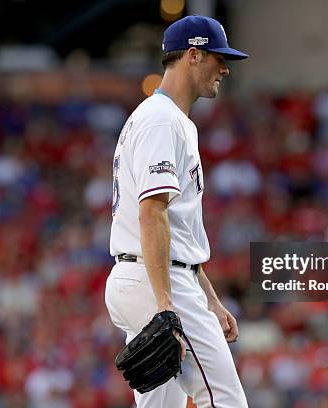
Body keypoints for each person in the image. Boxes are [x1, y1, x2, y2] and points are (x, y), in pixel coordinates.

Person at [105, 15, 249, 408]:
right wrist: (167, 306)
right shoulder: (161, 121)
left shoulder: (165, 119)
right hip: (158, 279)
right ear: (193, 54)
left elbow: (179, 230)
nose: (225, 68)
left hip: (147, 275)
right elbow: (151, 213)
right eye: (218, 57)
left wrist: (212, 300)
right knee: (224, 400)